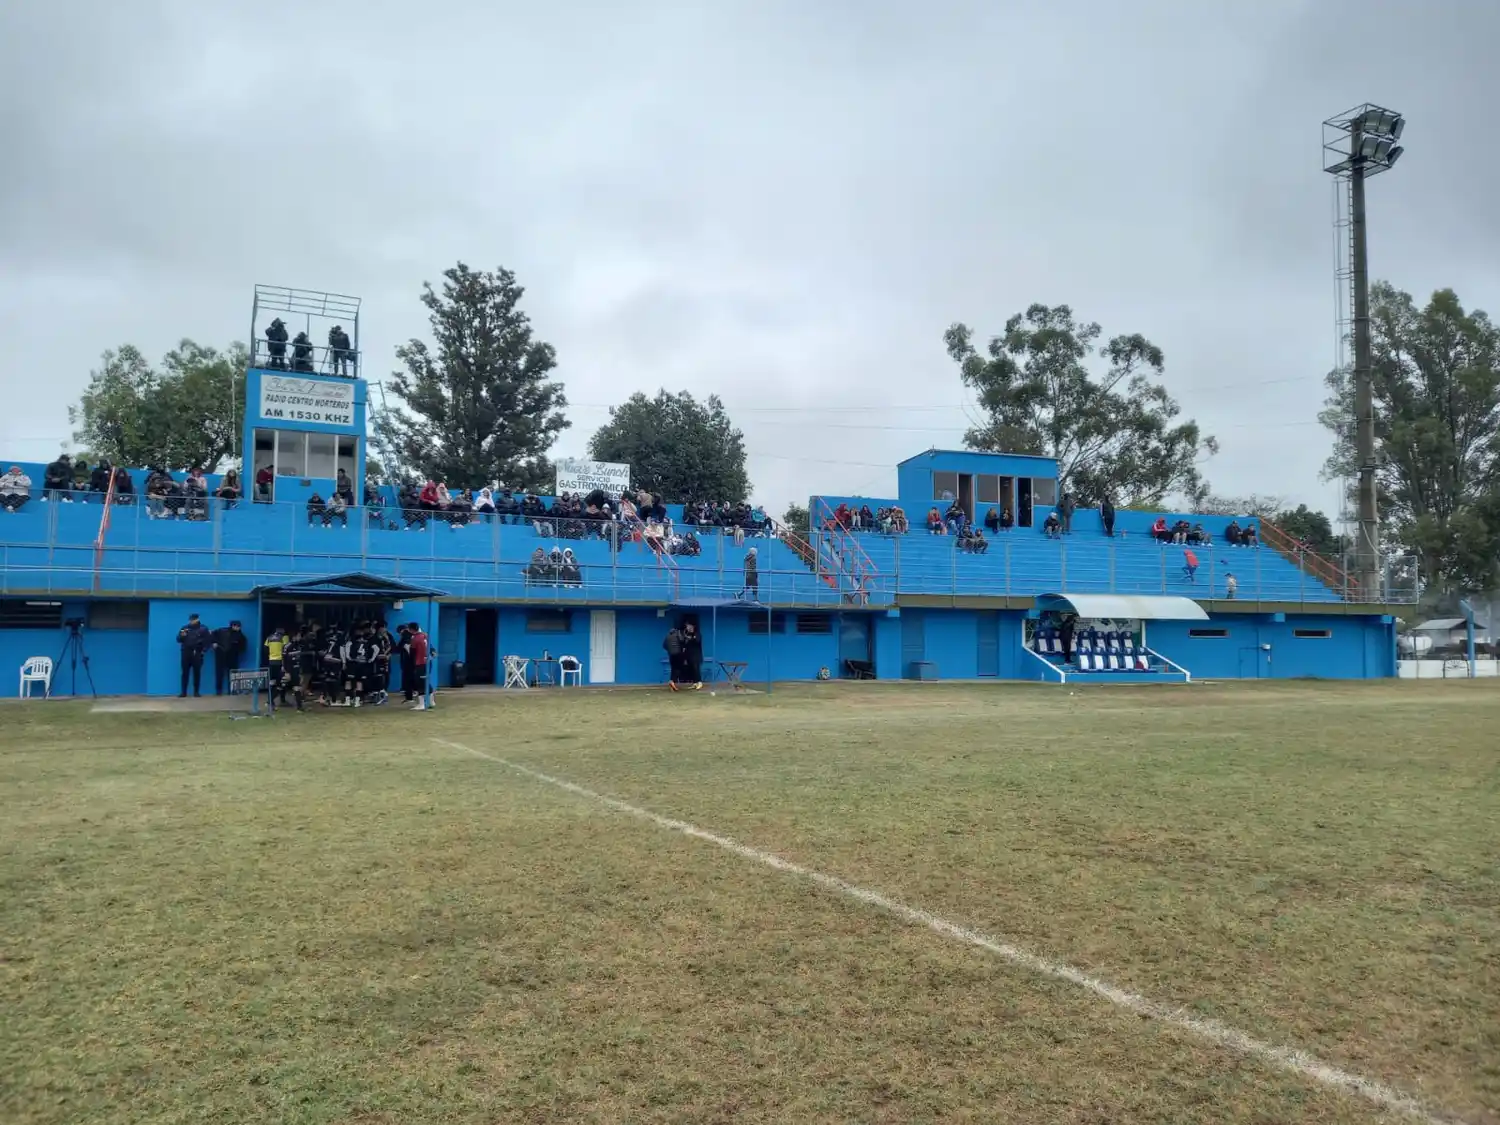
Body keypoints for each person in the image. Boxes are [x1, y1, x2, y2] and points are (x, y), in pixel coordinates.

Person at [177, 613, 212, 697]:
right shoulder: (185, 628)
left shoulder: (203, 629)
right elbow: (178, 640)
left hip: (197, 652)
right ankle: (183, 692)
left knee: (197, 673)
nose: (192, 621)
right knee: (185, 673)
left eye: (193, 619)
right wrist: (182, 636)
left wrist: (203, 651)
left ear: (197, 619)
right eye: (191, 620)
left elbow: (208, 641)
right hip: (186, 652)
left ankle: (196, 692)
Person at [211, 619, 247, 695]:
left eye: (239, 626)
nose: (238, 628)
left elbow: (243, 647)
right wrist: (214, 643)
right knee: (219, 674)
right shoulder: (222, 631)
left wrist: (237, 651)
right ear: (232, 626)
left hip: (232, 657)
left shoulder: (241, 636)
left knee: (233, 674)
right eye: (236, 626)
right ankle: (218, 691)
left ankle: (232, 691)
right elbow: (212, 635)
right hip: (220, 655)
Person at [406, 621, 430, 710]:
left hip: (419, 662)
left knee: (419, 682)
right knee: (425, 681)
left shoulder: (415, 638)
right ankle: (431, 702)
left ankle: (421, 704)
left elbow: (412, 652)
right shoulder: (425, 635)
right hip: (426, 661)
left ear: (411, 629)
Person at [264, 628, 287, 703]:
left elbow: (265, 649)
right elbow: (286, 649)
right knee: (283, 681)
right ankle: (281, 699)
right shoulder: (284, 638)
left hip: (271, 661)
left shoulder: (269, 638)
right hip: (280, 662)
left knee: (272, 681)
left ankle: (271, 701)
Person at [681, 621, 703, 690]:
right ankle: (695, 683)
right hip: (689, 656)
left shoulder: (697, 633)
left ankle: (699, 682)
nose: (688, 628)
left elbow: (697, 641)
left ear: (693, 626)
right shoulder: (687, 634)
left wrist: (692, 638)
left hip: (696, 655)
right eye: (687, 626)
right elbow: (685, 645)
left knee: (696, 669)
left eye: (689, 626)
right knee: (692, 670)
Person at [663, 623, 686, 689]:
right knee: (678, 668)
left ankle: (672, 681)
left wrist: (669, 650)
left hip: (671, 655)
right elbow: (682, 641)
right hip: (678, 654)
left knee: (673, 668)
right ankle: (673, 681)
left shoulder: (667, 636)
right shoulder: (678, 634)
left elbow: (664, 645)